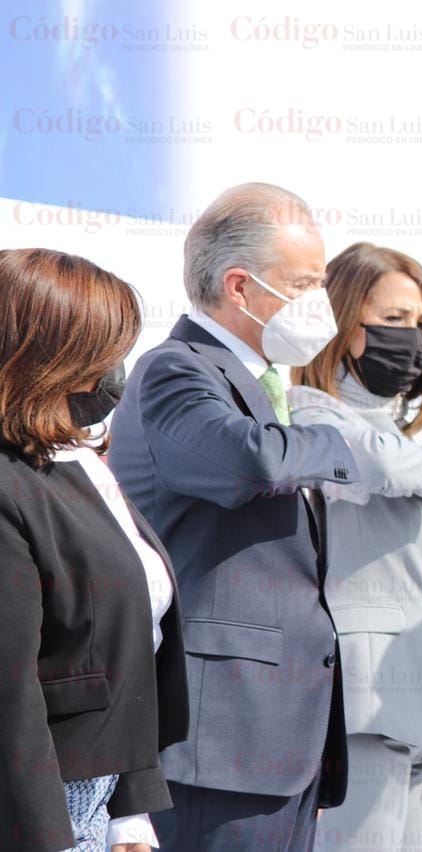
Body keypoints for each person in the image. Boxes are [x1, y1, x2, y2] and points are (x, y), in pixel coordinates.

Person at [109, 183, 361, 851]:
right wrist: (344, 441)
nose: (320, 303)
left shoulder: (268, 385)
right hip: (218, 736)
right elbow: (248, 461)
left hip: (282, 739)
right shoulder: (176, 369)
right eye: (305, 284)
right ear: (241, 287)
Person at [286, 242, 422, 850]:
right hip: (359, 719)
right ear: (341, 322)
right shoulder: (310, 419)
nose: (413, 339)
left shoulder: (411, 441)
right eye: (393, 320)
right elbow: (375, 461)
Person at [0, 249, 188, 852]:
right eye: (101, 357)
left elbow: (122, 650)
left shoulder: (73, 466)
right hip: (36, 806)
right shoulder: (11, 484)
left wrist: (128, 809)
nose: (114, 376)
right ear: (46, 359)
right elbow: (12, 689)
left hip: (95, 796)